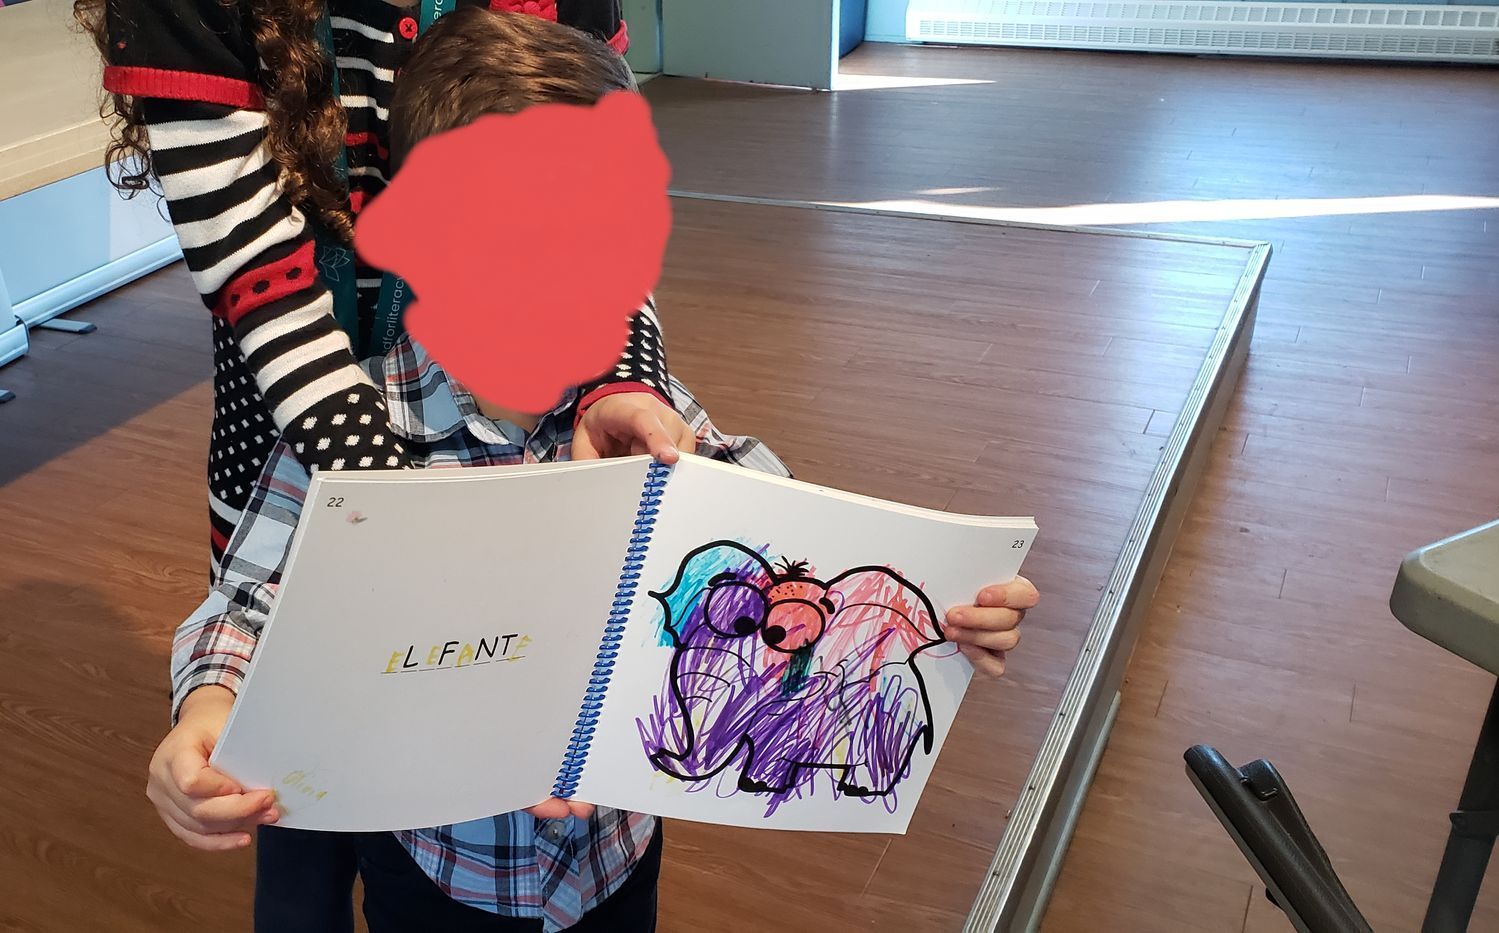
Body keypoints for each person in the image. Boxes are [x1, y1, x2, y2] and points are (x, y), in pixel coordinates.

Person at [142, 10, 1041, 932]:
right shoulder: (347, 438)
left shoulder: (647, 418)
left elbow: (781, 538)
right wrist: (208, 708)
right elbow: (243, 610)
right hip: (445, 866)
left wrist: (939, 606)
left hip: (614, 855)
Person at [76, 0, 695, 584]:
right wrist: (387, 503)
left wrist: (623, 378)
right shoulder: (285, 478)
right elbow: (249, 262)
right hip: (295, 423)